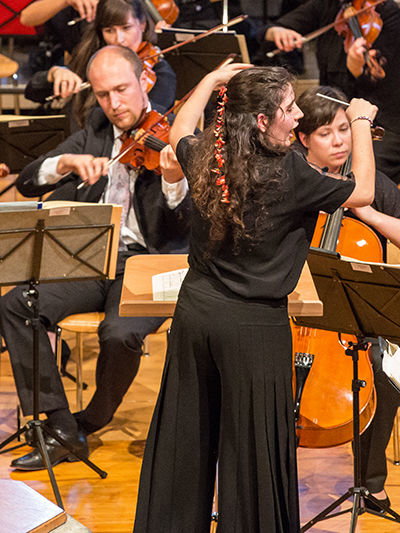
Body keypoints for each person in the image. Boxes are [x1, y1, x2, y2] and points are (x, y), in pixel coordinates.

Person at [133, 65, 378, 531]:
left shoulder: (210, 149)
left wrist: (210, 79)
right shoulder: (290, 172)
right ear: (262, 121)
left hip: (196, 314)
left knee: (187, 437)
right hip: (252, 328)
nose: (299, 114)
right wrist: (362, 122)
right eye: (289, 108)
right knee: (252, 452)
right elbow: (362, 190)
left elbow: (181, 127)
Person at [4, 45, 190, 471]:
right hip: (94, 261)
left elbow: (189, 223)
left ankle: (94, 417)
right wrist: (65, 163)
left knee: (119, 334)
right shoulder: (95, 129)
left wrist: (174, 180)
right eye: (104, 94)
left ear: (145, 80)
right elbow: (31, 180)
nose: (115, 104)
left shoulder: (176, 133)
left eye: (122, 90)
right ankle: (62, 428)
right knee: (17, 304)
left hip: (149, 265)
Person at [294, 85, 400, 511]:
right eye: (325, 133)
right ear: (303, 139)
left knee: (384, 373)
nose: (339, 141)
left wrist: (367, 210)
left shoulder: (368, 181)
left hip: (354, 326)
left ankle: (370, 481)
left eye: (344, 130)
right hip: (294, 317)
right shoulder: (292, 182)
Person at [262, 0, 400, 183]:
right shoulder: (327, 5)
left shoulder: (385, 10)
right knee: (289, 165)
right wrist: (276, 32)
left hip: (386, 124)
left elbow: (379, 79)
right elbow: (267, 30)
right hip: (332, 121)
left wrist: (358, 71)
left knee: (357, 178)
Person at [25, 0, 176, 128]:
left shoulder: (160, 72)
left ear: (142, 24)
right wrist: (54, 74)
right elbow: (32, 93)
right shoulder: (94, 61)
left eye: (126, 28)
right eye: (109, 30)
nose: (119, 39)